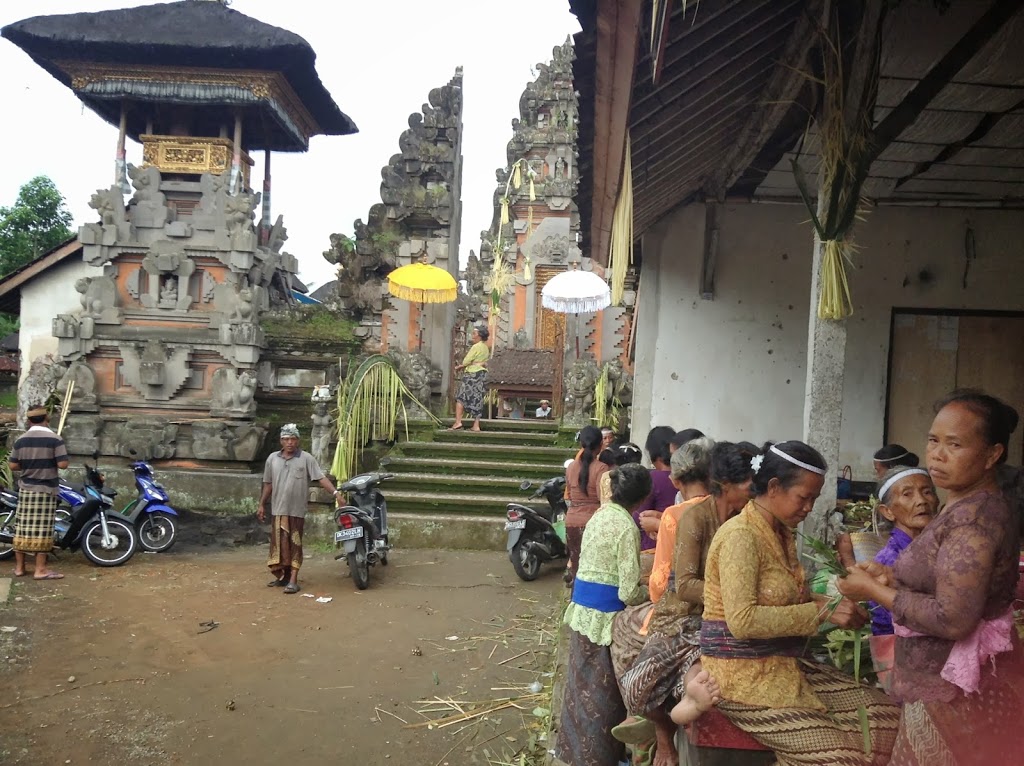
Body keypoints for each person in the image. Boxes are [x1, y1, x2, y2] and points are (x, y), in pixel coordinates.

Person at [839, 390, 1024, 764]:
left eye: (954, 444)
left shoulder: (975, 518)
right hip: (940, 688)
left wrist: (873, 589)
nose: (938, 454)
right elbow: (945, 579)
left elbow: (953, 617)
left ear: (992, 455)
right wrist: (890, 576)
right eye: (933, 441)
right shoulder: (959, 502)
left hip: (960, 697)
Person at [701, 441, 900, 765]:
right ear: (775, 487)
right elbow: (743, 621)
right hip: (740, 679)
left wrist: (841, 600)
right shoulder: (741, 536)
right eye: (803, 497)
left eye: (813, 499)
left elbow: (791, 596)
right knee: (838, 757)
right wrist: (824, 610)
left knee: (887, 717)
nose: (808, 507)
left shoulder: (781, 531)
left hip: (784, 665)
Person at [555, 463, 651, 766]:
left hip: (582, 613)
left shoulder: (601, 515)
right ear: (642, 498)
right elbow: (626, 592)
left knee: (579, 687)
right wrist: (648, 593)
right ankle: (599, 759)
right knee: (603, 695)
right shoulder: (626, 527)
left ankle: (571, 752)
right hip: (604, 618)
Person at [257, 424, 342, 594]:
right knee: (280, 545)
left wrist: (336, 493)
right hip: (278, 510)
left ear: (298, 440)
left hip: (296, 511)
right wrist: (261, 504)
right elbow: (268, 484)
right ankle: (284, 577)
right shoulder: (272, 459)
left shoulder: (306, 458)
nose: (290, 442)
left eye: (293, 439)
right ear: (281, 441)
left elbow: (321, 478)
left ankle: (294, 580)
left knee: (295, 544)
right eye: (286, 439)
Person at [8, 405, 69, 580]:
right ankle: (40, 570)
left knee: (22, 529)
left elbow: (13, 465)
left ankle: (20, 568)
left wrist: (27, 466)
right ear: (46, 419)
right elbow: (63, 464)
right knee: (42, 530)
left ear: (28, 420)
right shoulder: (55, 439)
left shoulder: (21, 440)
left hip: (26, 489)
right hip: (45, 490)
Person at [564, 425, 612, 586]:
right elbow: (604, 497)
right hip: (593, 521)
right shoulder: (602, 468)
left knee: (576, 566)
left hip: (571, 520)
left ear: (581, 444)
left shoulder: (571, 467)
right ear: (600, 446)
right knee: (592, 569)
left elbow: (569, 494)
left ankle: (574, 602)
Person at [635, 425, 676, 551]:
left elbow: (639, 517)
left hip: (655, 544)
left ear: (652, 452)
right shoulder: (685, 477)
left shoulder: (654, 478)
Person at [451, 325, 490, 432]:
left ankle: (458, 422)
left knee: (461, 397)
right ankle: (476, 425)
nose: (472, 336)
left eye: (474, 334)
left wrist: (460, 366)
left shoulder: (476, 346)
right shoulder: (485, 348)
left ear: (480, 336)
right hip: (481, 374)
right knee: (478, 398)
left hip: (472, 374)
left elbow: (466, 361)